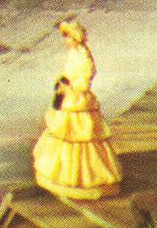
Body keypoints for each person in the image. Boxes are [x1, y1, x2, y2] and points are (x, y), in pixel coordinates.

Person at [31, 20, 122, 199]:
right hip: (68, 95)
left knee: (80, 136)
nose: (66, 42)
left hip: (78, 98)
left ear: (76, 39)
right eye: (65, 38)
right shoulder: (72, 53)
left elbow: (84, 81)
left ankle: (83, 178)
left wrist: (70, 86)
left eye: (68, 38)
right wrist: (62, 82)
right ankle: (61, 174)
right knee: (62, 134)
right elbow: (68, 73)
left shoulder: (85, 57)